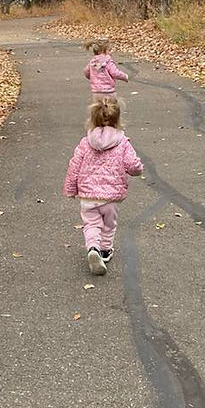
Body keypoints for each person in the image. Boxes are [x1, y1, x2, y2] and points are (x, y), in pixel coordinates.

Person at [63, 97, 143, 276]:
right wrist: (138, 169)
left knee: (91, 224)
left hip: (88, 195)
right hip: (111, 196)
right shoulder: (123, 143)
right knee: (108, 224)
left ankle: (93, 248)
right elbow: (133, 165)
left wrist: (71, 189)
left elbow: (74, 166)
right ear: (117, 119)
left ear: (93, 118)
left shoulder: (85, 143)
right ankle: (105, 251)